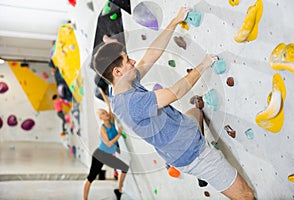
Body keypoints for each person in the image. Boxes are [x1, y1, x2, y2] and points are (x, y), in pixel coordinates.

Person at [92, 6, 254, 200]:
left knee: (196, 113)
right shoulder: (132, 104)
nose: (133, 62)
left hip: (182, 135)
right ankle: (202, 170)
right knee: (245, 195)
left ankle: (200, 174)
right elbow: (175, 92)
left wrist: (175, 20)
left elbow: (151, 54)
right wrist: (204, 64)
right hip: (193, 154)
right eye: (127, 60)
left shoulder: (119, 86)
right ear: (117, 72)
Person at [83, 88, 129, 200]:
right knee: (91, 177)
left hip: (107, 155)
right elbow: (108, 144)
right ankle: (85, 198)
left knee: (124, 168)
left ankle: (118, 190)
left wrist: (103, 93)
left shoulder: (112, 122)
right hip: (100, 154)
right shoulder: (102, 129)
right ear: (101, 118)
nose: (106, 113)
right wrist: (118, 135)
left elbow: (109, 106)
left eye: (105, 112)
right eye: (103, 113)